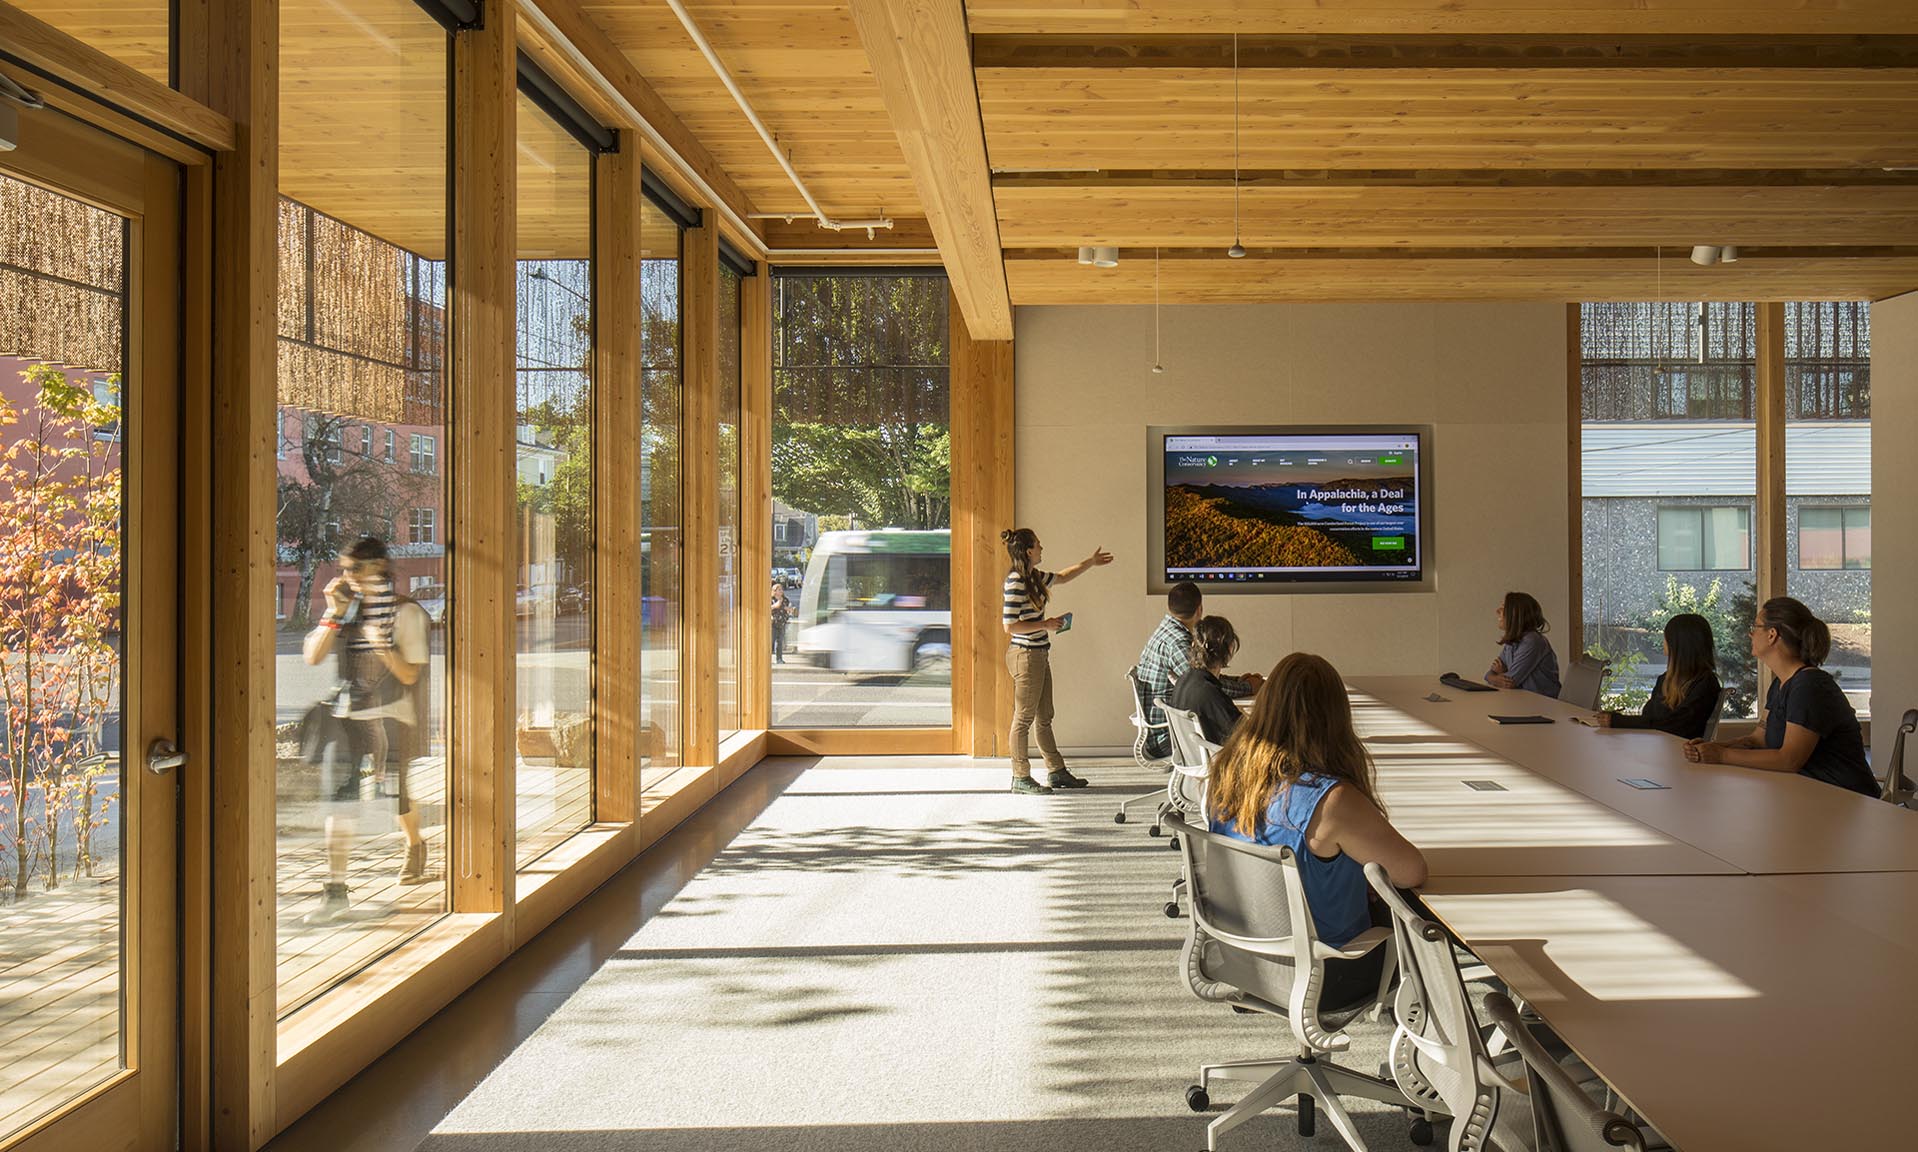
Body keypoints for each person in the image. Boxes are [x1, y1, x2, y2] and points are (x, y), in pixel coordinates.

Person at [1207, 653, 1428, 1010]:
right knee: (1429, 921)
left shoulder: (1227, 773)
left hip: (1244, 959)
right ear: (1335, 718)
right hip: (1324, 974)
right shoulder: (1331, 800)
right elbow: (1412, 872)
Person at [301, 536, 433, 924]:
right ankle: (336, 891)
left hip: (392, 719)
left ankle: (414, 842)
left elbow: (411, 672)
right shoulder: (346, 610)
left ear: (378, 567)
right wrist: (332, 614)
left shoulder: (407, 613)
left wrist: (382, 646)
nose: (348, 577)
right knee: (341, 804)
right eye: (343, 569)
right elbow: (313, 656)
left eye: (355, 569)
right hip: (347, 722)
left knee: (398, 798)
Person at [1684, 597, 1878, 796]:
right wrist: (1712, 747)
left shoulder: (1809, 687)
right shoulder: (1781, 683)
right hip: (1811, 796)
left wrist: (1722, 755)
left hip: (1847, 801)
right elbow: (1759, 740)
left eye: (1755, 626)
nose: (1750, 633)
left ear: (1772, 635)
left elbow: (1789, 759)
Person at [1001, 527, 1113, 794]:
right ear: (1029, 551)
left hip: (1039, 653)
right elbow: (1010, 626)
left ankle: (1056, 771)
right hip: (1025, 656)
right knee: (1024, 717)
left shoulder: (1035, 577)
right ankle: (1020, 776)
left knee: (1044, 716)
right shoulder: (1016, 581)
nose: (1042, 548)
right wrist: (1046, 623)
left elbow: (1063, 576)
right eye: (1038, 545)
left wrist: (1091, 562)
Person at [1137, 581, 1262, 757]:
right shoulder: (1179, 642)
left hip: (1172, 728)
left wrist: (1238, 680)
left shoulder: (1165, 632)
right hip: (1168, 737)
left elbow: (1204, 676)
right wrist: (1249, 687)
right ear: (1199, 609)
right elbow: (1205, 688)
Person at [1594, 613, 1722, 738]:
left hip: (1680, 753)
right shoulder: (1665, 680)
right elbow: (1650, 718)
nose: (1663, 642)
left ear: (1678, 644)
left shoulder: (1706, 684)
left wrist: (1618, 721)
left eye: (1666, 638)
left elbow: (1675, 725)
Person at [1168, 615, 1245, 746]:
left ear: (1194, 645)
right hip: (1218, 760)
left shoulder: (1183, 681)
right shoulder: (1209, 693)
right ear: (1231, 648)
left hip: (1193, 759)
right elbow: (1244, 735)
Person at [1486, 591, 1560, 698]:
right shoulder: (1512, 641)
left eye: (1503, 608)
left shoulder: (1533, 641)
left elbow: (1511, 681)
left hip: (1543, 704)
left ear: (1516, 614)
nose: (1497, 611)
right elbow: (1489, 674)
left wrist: (1500, 674)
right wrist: (1496, 677)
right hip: (1523, 700)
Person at [769, 581, 791, 664]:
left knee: (780, 642)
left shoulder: (785, 599)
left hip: (782, 622)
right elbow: (768, 608)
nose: (781, 591)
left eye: (781, 589)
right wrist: (775, 606)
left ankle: (779, 659)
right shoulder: (771, 599)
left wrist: (789, 609)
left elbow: (786, 607)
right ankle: (768, 659)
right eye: (779, 590)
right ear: (774, 591)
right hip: (773, 623)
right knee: (771, 641)